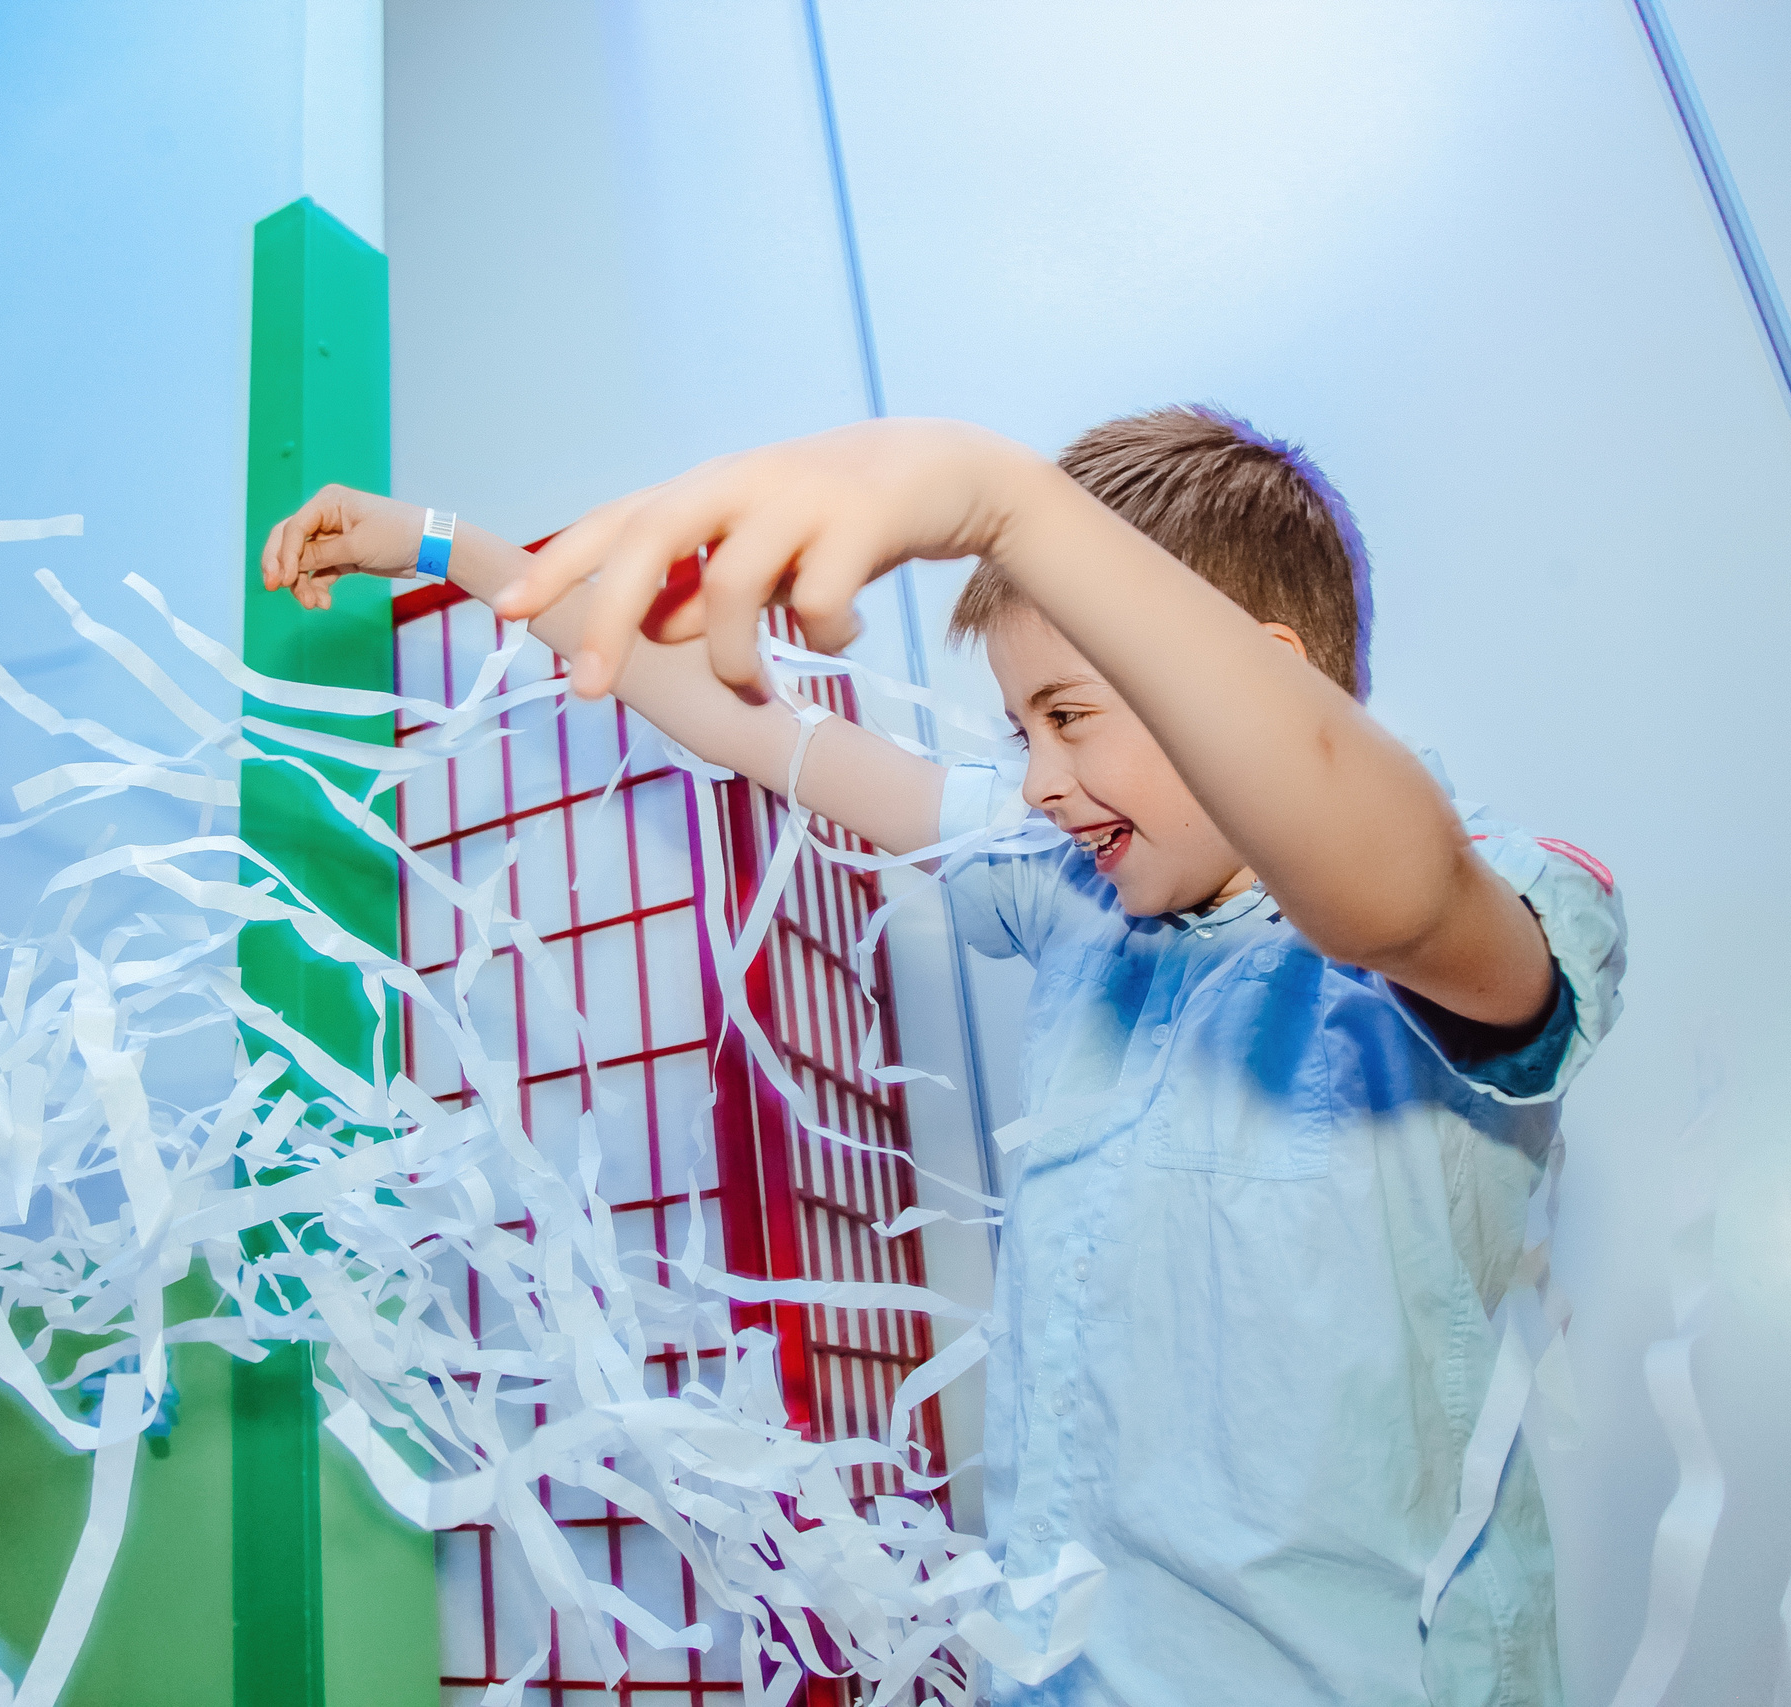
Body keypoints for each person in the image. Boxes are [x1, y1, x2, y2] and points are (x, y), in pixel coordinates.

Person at [258, 407, 1623, 1707]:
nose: (1036, 779)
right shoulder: (1077, 895)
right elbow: (754, 730)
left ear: (1257, 678)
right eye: (1025, 732)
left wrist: (1003, 499)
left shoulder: (1472, 909)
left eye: (1069, 717)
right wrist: (445, 546)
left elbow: (1389, 894)